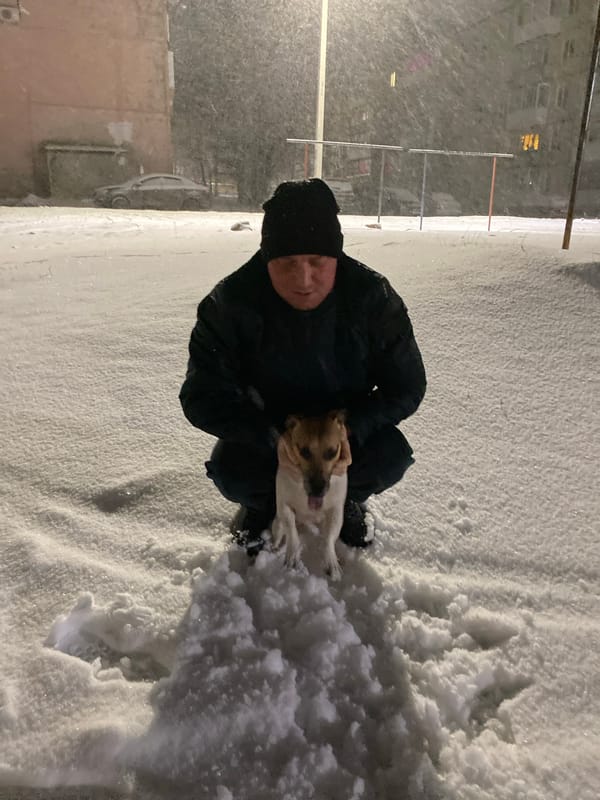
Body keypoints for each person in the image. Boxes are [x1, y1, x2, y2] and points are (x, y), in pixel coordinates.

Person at [179, 178, 426, 556]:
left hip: (342, 433)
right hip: (269, 432)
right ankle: (263, 507)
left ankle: (345, 501)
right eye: (287, 263)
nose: (304, 280)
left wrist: (350, 429)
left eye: (317, 261)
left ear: (336, 257)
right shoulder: (230, 304)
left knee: (388, 456)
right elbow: (200, 396)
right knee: (233, 470)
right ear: (266, 258)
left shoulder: (372, 299)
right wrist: (271, 435)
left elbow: (408, 386)